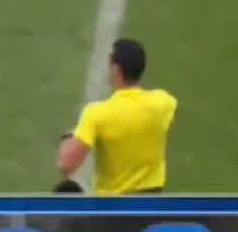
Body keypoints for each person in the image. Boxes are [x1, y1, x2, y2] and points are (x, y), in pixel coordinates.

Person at [57, 38, 176, 195]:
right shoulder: (164, 103)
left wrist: (70, 136)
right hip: (152, 204)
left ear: (117, 69)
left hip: (112, 207)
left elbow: (66, 165)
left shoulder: (96, 114)